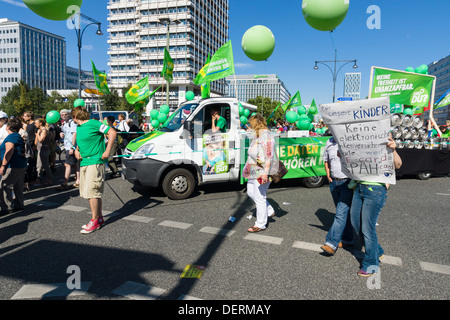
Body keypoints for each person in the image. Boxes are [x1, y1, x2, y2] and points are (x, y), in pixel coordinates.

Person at [350, 135, 402, 277]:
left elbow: (398, 165)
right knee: (356, 224)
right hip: (359, 188)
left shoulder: (386, 143)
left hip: (375, 191)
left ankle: (371, 265)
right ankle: (377, 251)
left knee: (367, 228)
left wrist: (394, 149)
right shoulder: (361, 144)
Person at [72, 106, 116, 234]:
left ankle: (95, 220)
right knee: (90, 192)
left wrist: (107, 150)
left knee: (92, 192)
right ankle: (99, 218)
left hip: (95, 162)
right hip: (85, 162)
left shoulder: (94, 123)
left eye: (72, 117)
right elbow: (81, 142)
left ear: (75, 116)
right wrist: (77, 149)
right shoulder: (79, 127)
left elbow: (112, 132)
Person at [320, 132, 354, 255]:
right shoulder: (329, 142)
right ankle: (348, 239)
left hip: (347, 183)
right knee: (343, 213)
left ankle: (331, 243)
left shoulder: (349, 140)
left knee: (340, 213)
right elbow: (326, 160)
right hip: (334, 182)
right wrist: (328, 174)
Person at [242, 114, 277, 233]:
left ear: (256, 125)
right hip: (253, 170)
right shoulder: (258, 135)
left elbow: (269, 156)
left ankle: (260, 224)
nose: (250, 127)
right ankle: (270, 210)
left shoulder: (266, 136)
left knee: (260, 197)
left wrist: (265, 173)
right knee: (251, 192)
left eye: (251, 125)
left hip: (262, 171)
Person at [0, 118, 28, 214]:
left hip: (12, 165)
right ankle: (19, 204)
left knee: (5, 185)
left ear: (8, 127)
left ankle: (7, 207)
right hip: (21, 164)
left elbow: (9, 151)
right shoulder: (18, 136)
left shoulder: (11, 137)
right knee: (18, 186)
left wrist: (3, 165)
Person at [57, 109, 80, 190]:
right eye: (62, 114)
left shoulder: (72, 123)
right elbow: (65, 133)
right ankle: (78, 181)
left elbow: (75, 135)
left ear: (68, 115)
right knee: (75, 164)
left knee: (67, 164)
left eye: (65, 114)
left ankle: (64, 183)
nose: (63, 115)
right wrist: (61, 133)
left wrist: (72, 147)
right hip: (67, 146)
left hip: (71, 147)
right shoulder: (64, 124)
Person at [34, 118, 53, 186]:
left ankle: (48, 179)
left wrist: (37, 134)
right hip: (40, 149)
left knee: (44, 166)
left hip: (44, 150)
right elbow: (36, 142)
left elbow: (41, 140)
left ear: (40, 123)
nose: (35, 124)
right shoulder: (40, 130)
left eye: (36, 123)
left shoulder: (44, 130)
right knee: (40, 165)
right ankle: (39, 179)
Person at [23, 111, 38, 185]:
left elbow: (36, 136)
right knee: (29, 162)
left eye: (25, 116)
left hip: (32, 146)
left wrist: (35, 146)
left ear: (29, 117)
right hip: (28, 145)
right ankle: (29, 177)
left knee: (33, 162)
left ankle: (34, 178)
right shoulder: (27, 125)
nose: (23, 117)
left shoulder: (34, 125)